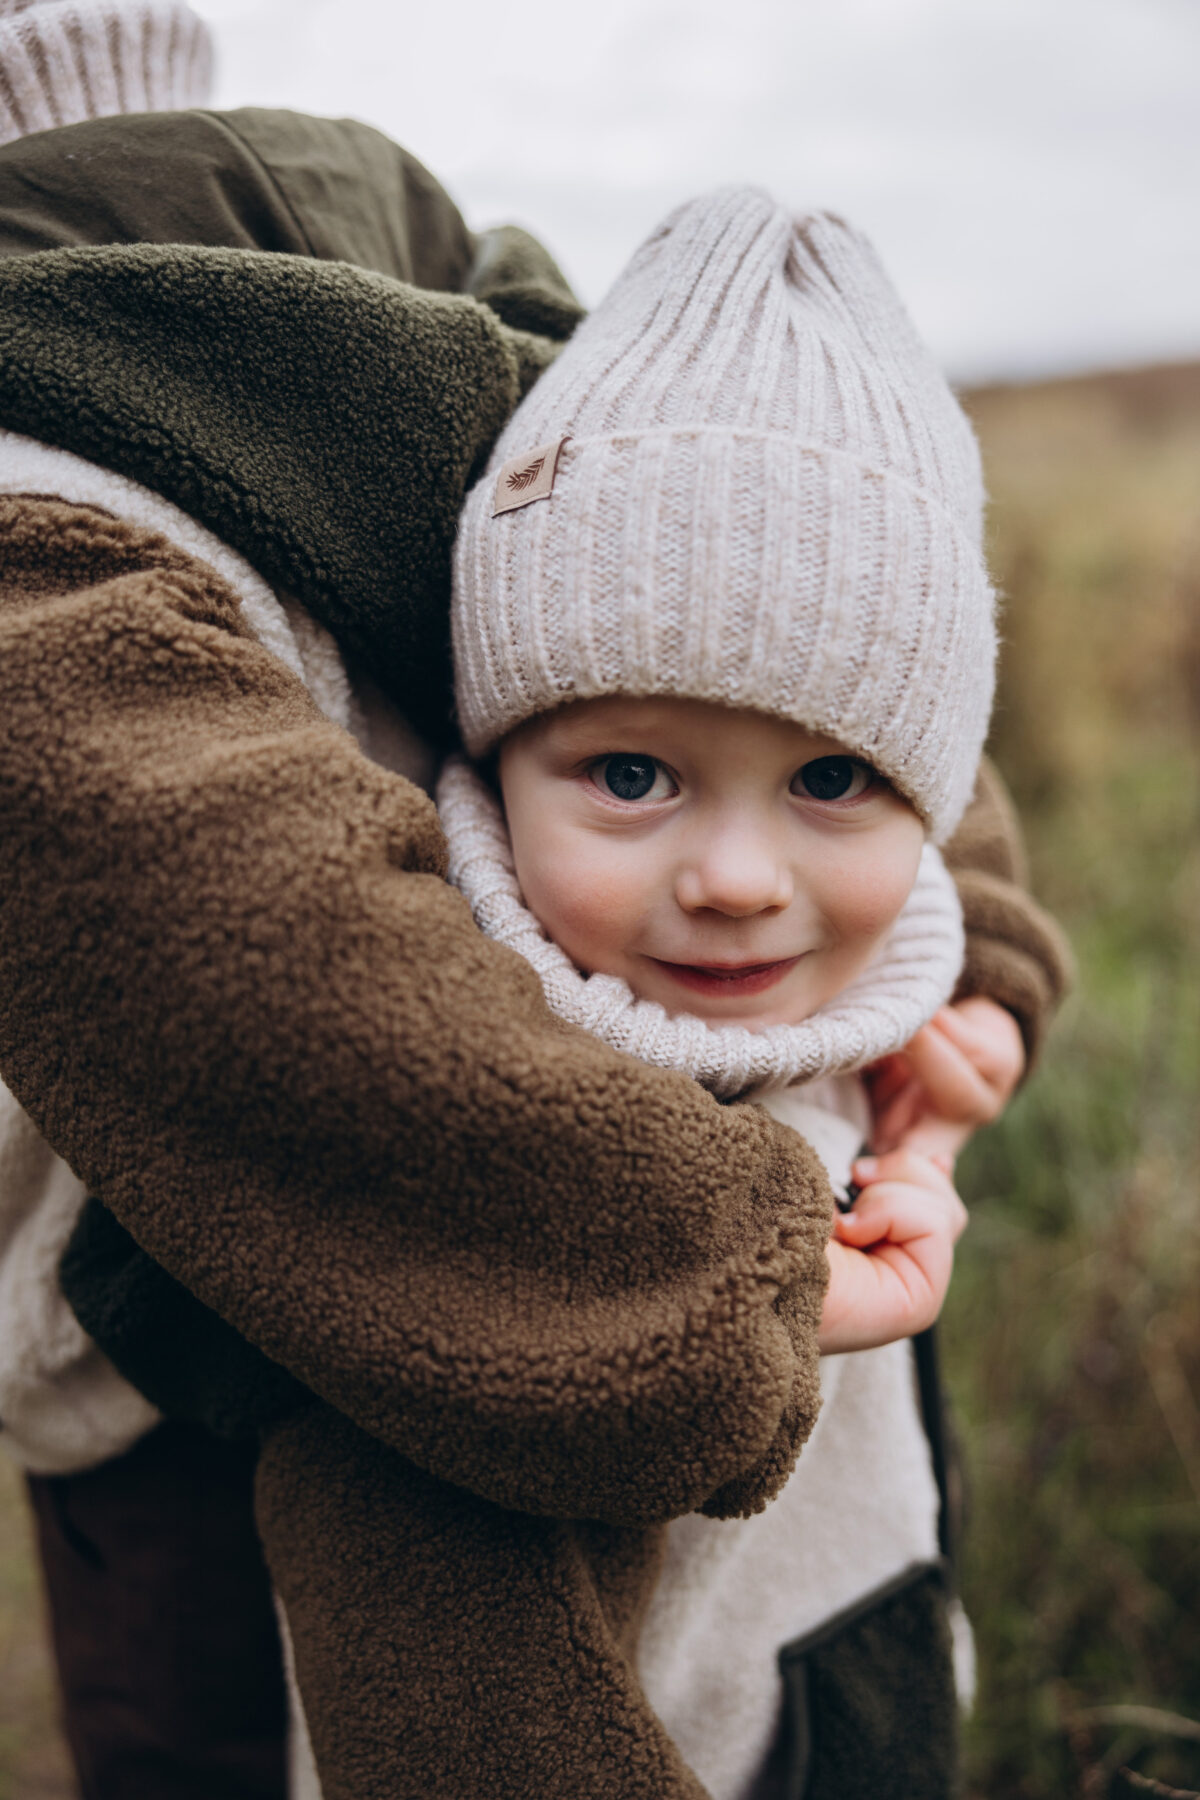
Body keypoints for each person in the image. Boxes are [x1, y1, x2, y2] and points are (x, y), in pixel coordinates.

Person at [0, 35, 1069, 1800]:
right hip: (229, 1369)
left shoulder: (504, 381)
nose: (737, 881)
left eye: (829, 785)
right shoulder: (413, 341)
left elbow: (863, 650)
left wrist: (978, 990)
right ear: (490, 770)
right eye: (631, 776)